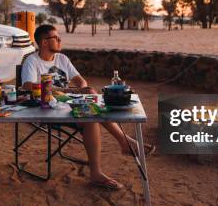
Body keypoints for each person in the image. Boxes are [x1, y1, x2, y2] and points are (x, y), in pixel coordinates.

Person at [21, 24, 155, 190]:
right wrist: (70, 90)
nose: (59, 40)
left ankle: (122, 144)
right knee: (91, 117)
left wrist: (82, 89)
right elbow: (27, 86)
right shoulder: (32, 61)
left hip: (69, 106)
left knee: (92, 104)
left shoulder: (62, 59)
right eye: (55, 38)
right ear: (44, 42)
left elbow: (80, 80)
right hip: (48, 109)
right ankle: (114, 153)